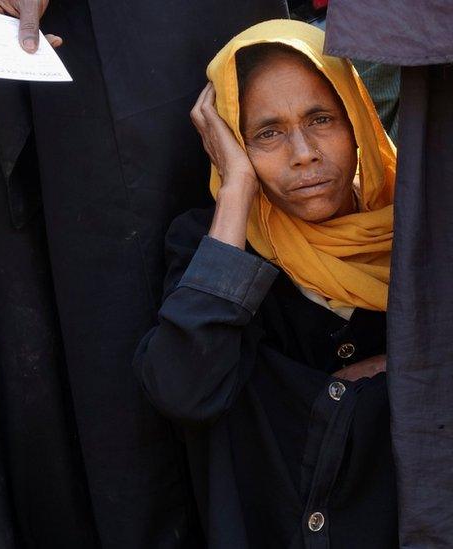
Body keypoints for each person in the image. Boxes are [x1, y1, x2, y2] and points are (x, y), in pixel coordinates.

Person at [135, 19, 398, 548]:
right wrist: (235, 193)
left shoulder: (414, 234)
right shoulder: (212, 245)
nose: (303, 152)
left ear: (359, 122)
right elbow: (185, 391)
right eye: (267, 134)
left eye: (322, 118)